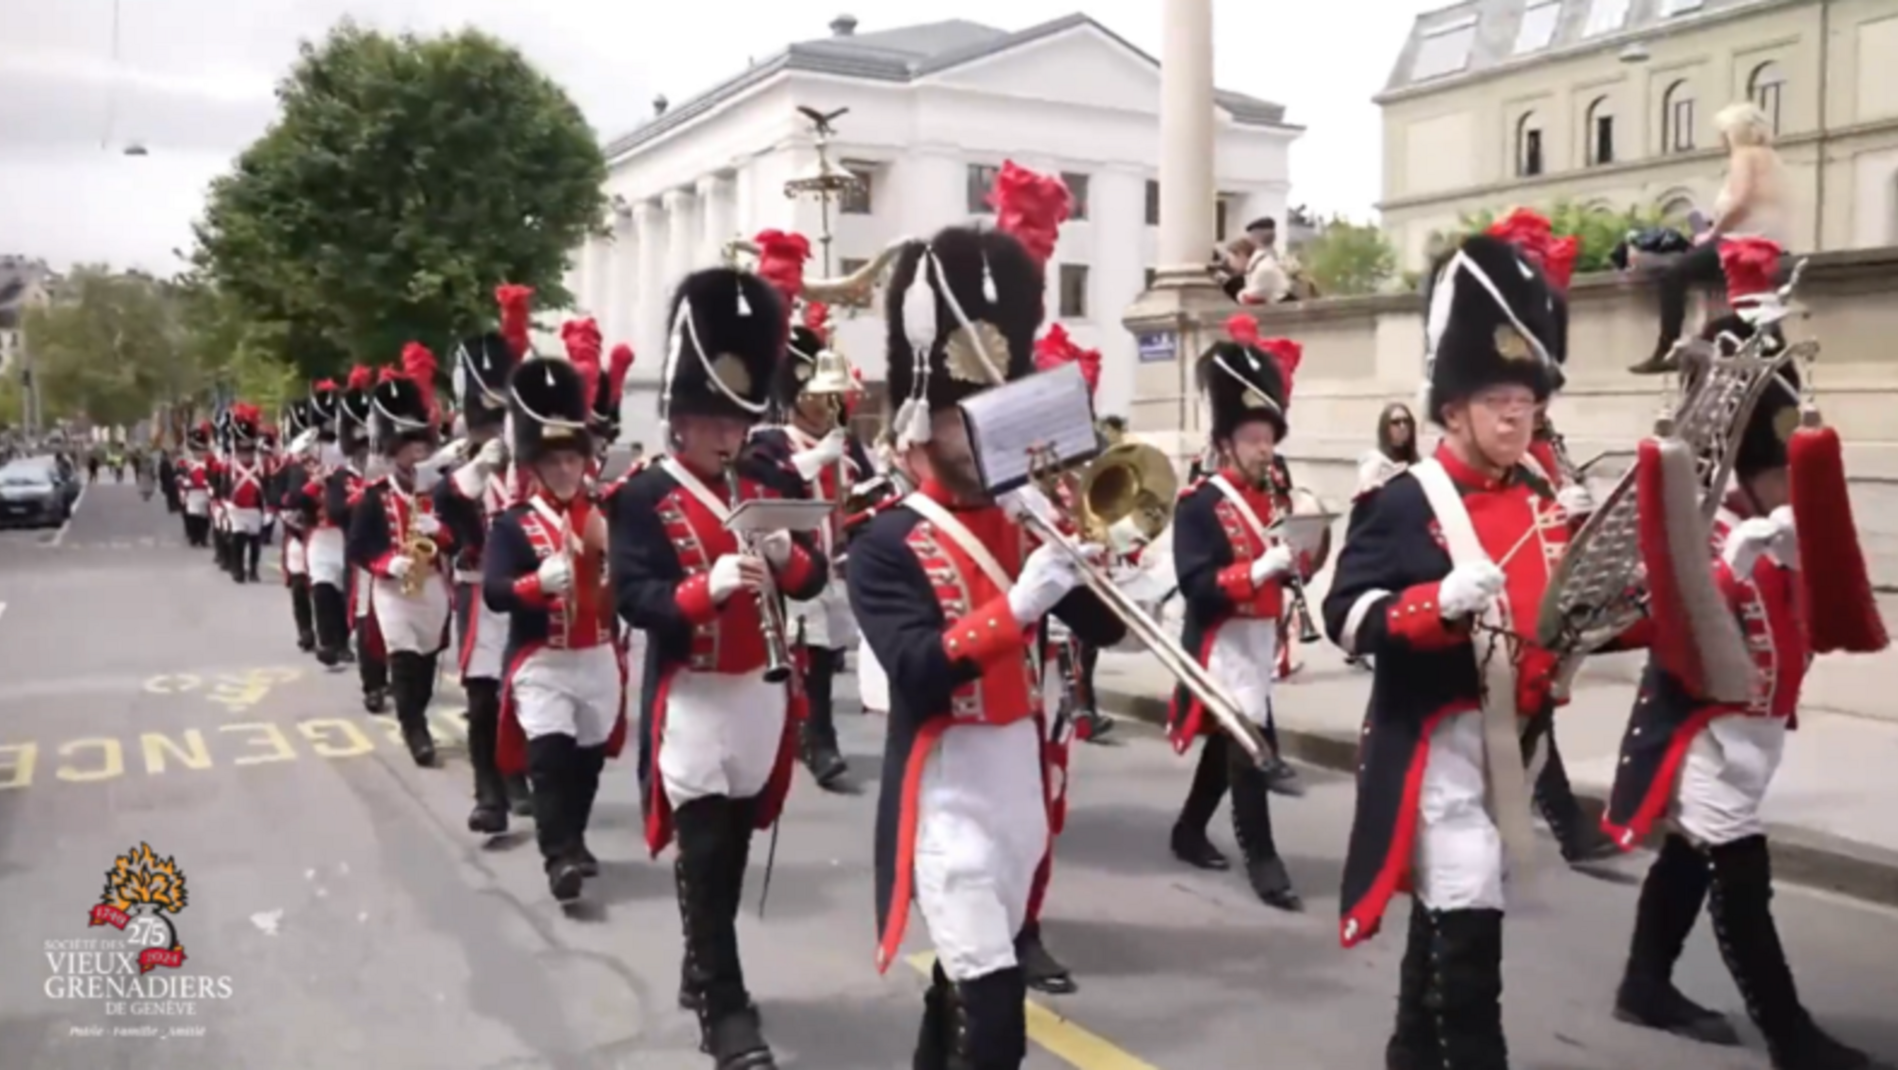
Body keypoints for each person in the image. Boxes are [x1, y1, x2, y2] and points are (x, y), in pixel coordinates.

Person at [1603, 240, 1889, 1070]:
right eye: (1777, 476)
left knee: (1690, 860)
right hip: (1699, 725)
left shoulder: (1784, 520)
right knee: (1740, 871)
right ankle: (1789, 1033)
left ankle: (1644, 983)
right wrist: (1734, 565)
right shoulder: (1700, 522)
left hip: (1754, 729)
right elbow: (1660, 618)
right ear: (1743, 468)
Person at [850, 222, 1125, 1070]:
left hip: (1018, 797)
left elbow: (1108, 631)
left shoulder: (1026, 519)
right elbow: (920, 671)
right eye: (963, 421)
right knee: (996, 1021)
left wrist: (1093, 564)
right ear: (921, 427)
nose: (985, 438)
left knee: (965, 991)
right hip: (946, 801)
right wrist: (1023, 601)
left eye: (992, 418)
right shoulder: (885, 541)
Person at [1321, 232, 1571, 1066]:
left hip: (1514, 752)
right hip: (1436, 750)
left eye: (1526, 399)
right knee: (1470, 951)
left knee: (1445, 928)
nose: (1515, 414)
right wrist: (1435, 605)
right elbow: (1347, 618)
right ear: (1453, 407)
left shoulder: (1542, 498)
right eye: (1497, 397)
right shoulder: (1401, 502)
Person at [611, 266, 828, 1069]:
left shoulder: (763, 481)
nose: (726, 436)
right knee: (703, 853)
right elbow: (636, 598)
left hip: (761, 697)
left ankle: (701, 962)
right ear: (678, 417)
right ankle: (724, 1008)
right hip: (696, 698)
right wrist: (705, 589)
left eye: (736, 421)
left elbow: (814, 579)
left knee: (731, 853)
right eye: (710, 420)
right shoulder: (641, 498)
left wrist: (784, 557)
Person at [1166, 314, 1306, 911]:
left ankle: (1189, 829)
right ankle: (1264, 861)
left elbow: (1295, 571)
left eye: (1268, 435)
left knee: (1229, 745)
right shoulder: (1198, 504)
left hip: (1258, 639)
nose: (1264, 447)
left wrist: (1304, 553)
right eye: (1252, 437)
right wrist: (1257, 571)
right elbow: (1198, 585)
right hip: (1219, 640)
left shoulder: (1279, 492)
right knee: (1252, 745)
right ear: (1226, 442)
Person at [484, 343, 627, 902]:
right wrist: (534, 585)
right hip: (541, 659)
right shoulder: (513, 525)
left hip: (597, 655)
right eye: (554, 462)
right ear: (536, 468)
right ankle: (558, 858)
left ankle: (575, 836)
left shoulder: (607, 516)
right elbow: (496, 592)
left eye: (573, 460)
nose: (566, 469)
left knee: (587, 763)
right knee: (548, 760)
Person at [749, 301, 871, 793]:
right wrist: (811, 462)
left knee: (823, 657)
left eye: (829, 395)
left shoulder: (846, 444)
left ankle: (807, 733)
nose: (825, 404)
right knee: (808, 662)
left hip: (836, 567)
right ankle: (819, 739)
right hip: (789, 569)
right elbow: (763, 489)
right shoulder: (773, 442)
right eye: (815, 396)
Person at [435, 290, 533, 833]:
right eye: (488, 415)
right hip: (476, 590)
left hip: (525, 588)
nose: (496, 426)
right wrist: (475, 472)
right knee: (480, 700)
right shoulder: (459, 465)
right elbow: (444, 512)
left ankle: (517, 777)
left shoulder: (530, 463)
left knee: (522, 695)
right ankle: (487, 792)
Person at [348, 347, 453, 766]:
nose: (418, 455)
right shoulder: (374, 497)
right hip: (392, 592)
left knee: (426, 663)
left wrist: (441, 533)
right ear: (394, 452)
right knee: (404, 661)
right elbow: (358, 546)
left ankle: (419, 713)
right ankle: (415, 731)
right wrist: (386, 563)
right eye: (409, 449)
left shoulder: (442, 493)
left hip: (431, 588)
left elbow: (464, 537)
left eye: (421, 447)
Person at [1635, 101, 1791, 374]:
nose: (1721, 140)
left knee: (1672, 274)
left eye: (1724, 132)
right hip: (1769, 245)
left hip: (1741, 244)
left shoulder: (1744, 155)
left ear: (1736, 131)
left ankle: (1667, 347)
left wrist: (1711, 233)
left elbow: (1741, 202)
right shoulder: (1772, 158)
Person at [276, 401, 318, 653]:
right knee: (300, 584)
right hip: (297, 532)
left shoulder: (325, 466)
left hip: (320, 529)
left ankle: (331, 633)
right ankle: (305, 630)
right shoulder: (286, 468)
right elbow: (275, 494)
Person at [217, 404, 270, 584]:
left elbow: (265, 485)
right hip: (236, 509)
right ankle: (237, 570)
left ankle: (253, 570)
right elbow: (224, 486)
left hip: (254, 508)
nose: (245, 451)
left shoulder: (261, 464)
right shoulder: (229, 464)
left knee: (255, 543)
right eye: (242, 446)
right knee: (238, 541)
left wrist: (267, 506)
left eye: (248, 446)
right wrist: (224, 504)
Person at [1357, 403, 1420, 496]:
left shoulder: (1416, 459)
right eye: (1396, 422)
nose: (1402, 426)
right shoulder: (1374, 461)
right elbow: (1364, 491)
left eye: (1406, 421)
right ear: (1386, 427)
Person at [177, 424, 214, 547]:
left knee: (204, 518)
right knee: (192, 516)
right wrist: (183, 488)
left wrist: (211, 485)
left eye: (201, 450)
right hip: (192, 493)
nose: (199, 453)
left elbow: (214, 476)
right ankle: (194, 537)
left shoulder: (210, 462)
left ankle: (203, 537)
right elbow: (181, 477)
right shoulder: (186, 463)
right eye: (197, 450)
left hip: (205, 492)